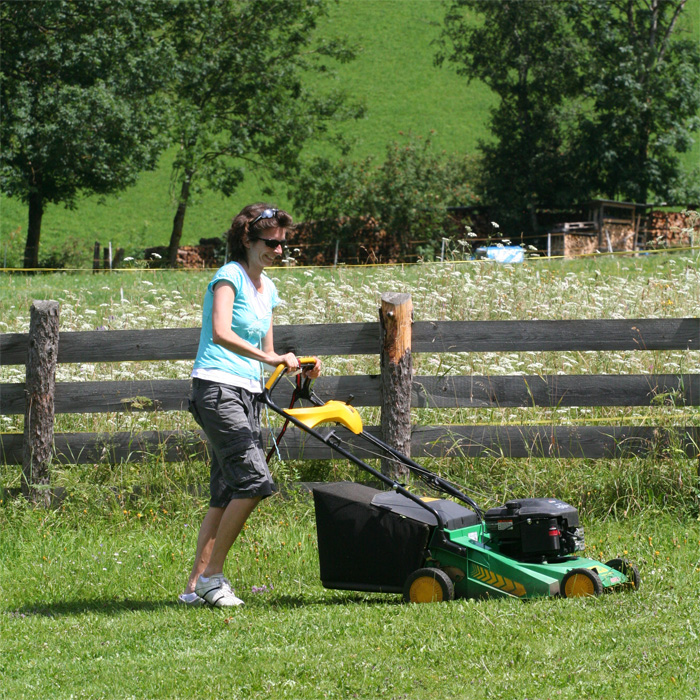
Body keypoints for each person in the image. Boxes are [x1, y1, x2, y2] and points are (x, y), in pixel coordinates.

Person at [179, 203, 320, 607]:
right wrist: (272, 359)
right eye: (271, 243)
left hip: (247, 393)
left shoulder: (267, 289)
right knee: (255, 482)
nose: (279, 251)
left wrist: (298, 367)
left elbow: (269, 351)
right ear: (247, 240)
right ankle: (212, 577)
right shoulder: (228, 278)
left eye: (282, 245)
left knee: (225, 491)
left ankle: (193, 588)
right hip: (217, 388)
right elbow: (221, 333)